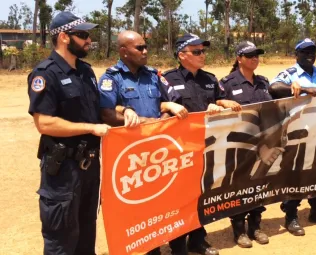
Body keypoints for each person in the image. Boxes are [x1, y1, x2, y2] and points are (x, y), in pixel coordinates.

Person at [97, 30, 188, 255]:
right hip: (132, 154)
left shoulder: (154, 75)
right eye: (139, 48)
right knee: (143, 204)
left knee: (170, 199)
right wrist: (148, 122)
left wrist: (162, 123)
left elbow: (171, 102)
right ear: (123, 51)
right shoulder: (111, 78)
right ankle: (151, 248)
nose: (145, 51)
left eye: (145, 46)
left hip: (161, 149)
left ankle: (178, 246)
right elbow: (106, 114)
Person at [27, 11, 110, 254]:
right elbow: (44, 123)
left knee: (86, 232)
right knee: (61, 239)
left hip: (90, 167)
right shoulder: (45, 74)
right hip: (63, 170)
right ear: (64, 37)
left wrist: (124, 112)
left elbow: (98, 111)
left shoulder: (86, 72)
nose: (88, 41)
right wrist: (90, 128)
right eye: (83, 35)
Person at [163, 33, 241, 255]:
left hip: (206, 147)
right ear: (182, 55)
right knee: (178, 199)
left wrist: (223, 102)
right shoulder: (167, 80)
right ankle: (177, 245)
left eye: (203, 51)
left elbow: (218, 99)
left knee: (200, 195)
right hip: (178, 150)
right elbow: (161, 108)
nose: (202, 55)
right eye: (196, 52)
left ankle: (198, 239)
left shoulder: (210, 78)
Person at [269, 38, 316, 237]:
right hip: (297, 135)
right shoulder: (290, 74)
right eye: (305, 52)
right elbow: (274, 88)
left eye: (312, 52)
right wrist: (300, 89)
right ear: (296, 55)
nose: (309, 55)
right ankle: (291, 215)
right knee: (295, 172)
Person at [219, 41, 271, 248]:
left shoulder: (264, 82)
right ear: (239, 58)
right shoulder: (227, 83)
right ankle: (239, 230)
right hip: (238, 145)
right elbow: (215, 104)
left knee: (259, 185)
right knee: (239, 187)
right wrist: (223, 102)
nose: (255, 58)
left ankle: (255, 226)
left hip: (262, 143)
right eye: (249, 55)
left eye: (257, 55)